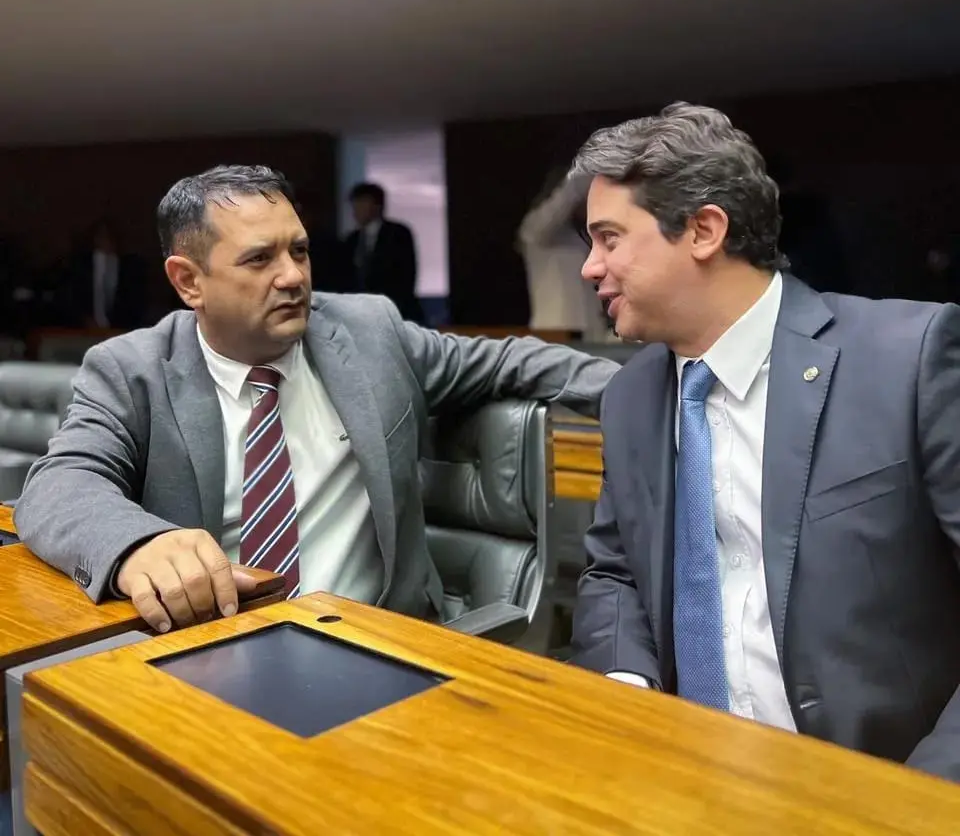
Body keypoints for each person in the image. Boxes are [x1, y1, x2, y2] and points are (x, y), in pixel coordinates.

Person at [16, 165, 620, 636]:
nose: (292, 277)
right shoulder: (132, 370)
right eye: (259, 258)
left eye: (299, 251)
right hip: (210, 654)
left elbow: (513, 361)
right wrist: (139, 546)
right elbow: (58, 484)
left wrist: (645, 396)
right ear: (189, 281)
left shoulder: (371, 332)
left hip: (384, 643)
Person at [569, 103, 960, 782]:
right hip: (682, 775)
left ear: (704, 230)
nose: (588, 267)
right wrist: (626, 686)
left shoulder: (908, 360)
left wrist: (922, 797)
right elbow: (616, 570)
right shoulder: (631, 396)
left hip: (882, 782)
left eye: (608, 238)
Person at [516, 168, 611, 342]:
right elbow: (564, 200)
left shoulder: (589, 236)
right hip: (555, 337)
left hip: (592, 338)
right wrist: (585, 172)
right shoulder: (538, 231)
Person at [343, 182, 424, 323]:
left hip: (396, 312)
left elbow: (406, 276)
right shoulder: (352, 239)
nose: (356, 209)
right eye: (355, 204)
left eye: (362, 203)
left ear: (377, 206)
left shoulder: (398, 233)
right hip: (361, 315)